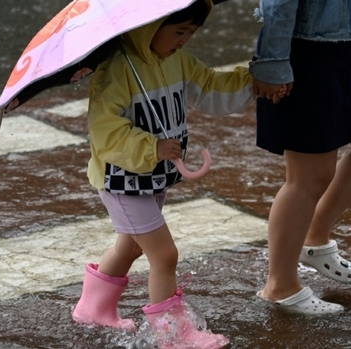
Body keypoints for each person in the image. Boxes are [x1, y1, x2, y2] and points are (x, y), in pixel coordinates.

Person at [71, 1, 254, 347]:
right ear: (150, 25)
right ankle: (175, 336)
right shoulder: (117, 69)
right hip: (122, 179)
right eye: (179, 31)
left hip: (152, 176)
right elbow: (104, 129)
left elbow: (210, 86)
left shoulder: (176, 61)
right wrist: (151, 147)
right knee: (164, 254)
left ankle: (93, 308)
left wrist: (252, 82)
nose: (184, 41)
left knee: (130, 245)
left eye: (191, 33)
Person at [249, 0, 351, 315]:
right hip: (308, 50)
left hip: (344, 47)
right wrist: (273, 60)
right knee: (309, 177)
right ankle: (279, 285)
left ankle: (314, 236)